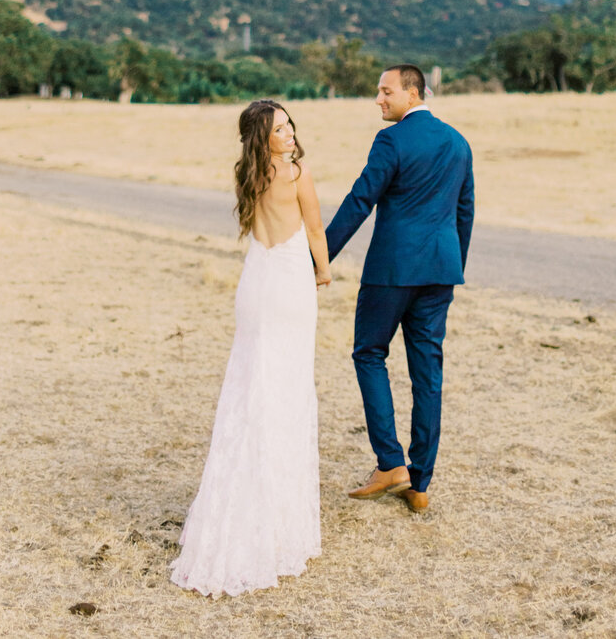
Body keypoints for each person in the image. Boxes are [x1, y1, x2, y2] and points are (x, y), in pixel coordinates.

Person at [170, 99, 331, 597]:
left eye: (290, 126)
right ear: (262, 136)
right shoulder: (295, 172)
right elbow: (316, 229)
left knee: (251, 387)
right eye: (279, 129)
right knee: (283, 391)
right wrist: (323, 271)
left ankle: (246, 504)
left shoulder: (247, 173)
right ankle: (275, 517)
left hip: (255, 282)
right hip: (287, 283)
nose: (289, 134)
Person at [325, 65, 474, 513]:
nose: (378, 99)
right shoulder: (457, 142)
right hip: (440, 272)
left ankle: (391, 463)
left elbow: (359, 200)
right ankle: (420, 483)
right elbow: (464, 211)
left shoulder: (391, 140)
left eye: (385, 91)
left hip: (391, 271)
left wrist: (319, 256)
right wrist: (451, 266)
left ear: (413, 93)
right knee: (428, 374)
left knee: (369, 353)